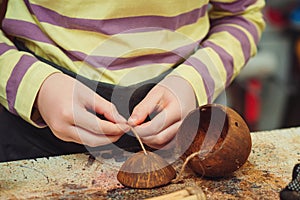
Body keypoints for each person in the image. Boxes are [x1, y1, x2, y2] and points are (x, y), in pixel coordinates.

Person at [0, 0, 265, 162]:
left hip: (184, 129)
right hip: (34, 134)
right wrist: (33, 84)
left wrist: (196, 80)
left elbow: (242, 15)